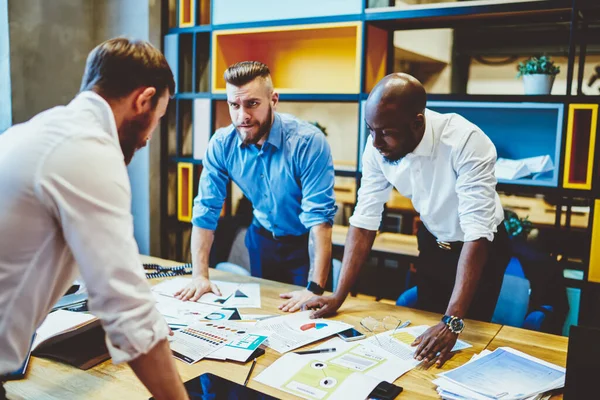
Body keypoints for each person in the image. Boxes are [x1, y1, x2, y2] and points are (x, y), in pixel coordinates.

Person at [0, 38, 188, 400]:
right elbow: (129, 312)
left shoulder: (36, 131)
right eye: (157, 119)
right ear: (143, 100)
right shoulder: (87, 149)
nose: (149, 138)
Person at [303, 73, 510, 367]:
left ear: (417, 123)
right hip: (433, 241)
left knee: (463, 340)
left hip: (479, 248)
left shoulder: (465, 141)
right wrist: (338, 296)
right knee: (423, 339)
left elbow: (477, 233)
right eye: (370, 130)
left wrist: (452, 321)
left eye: (385, 132)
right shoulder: (378, 142)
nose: (375, 142)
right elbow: (364, 220)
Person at [175, 61, 337, 313]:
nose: (243, 116)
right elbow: (205, 211)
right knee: (266, 313)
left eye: (252, 104)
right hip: (262, 240)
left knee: (311, 315)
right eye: (234, 105)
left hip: (305, 243)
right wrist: (200, 276)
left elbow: (320, 220)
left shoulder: (308, 143)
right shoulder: (222, 144)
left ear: (273, 100)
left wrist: (315, 288)